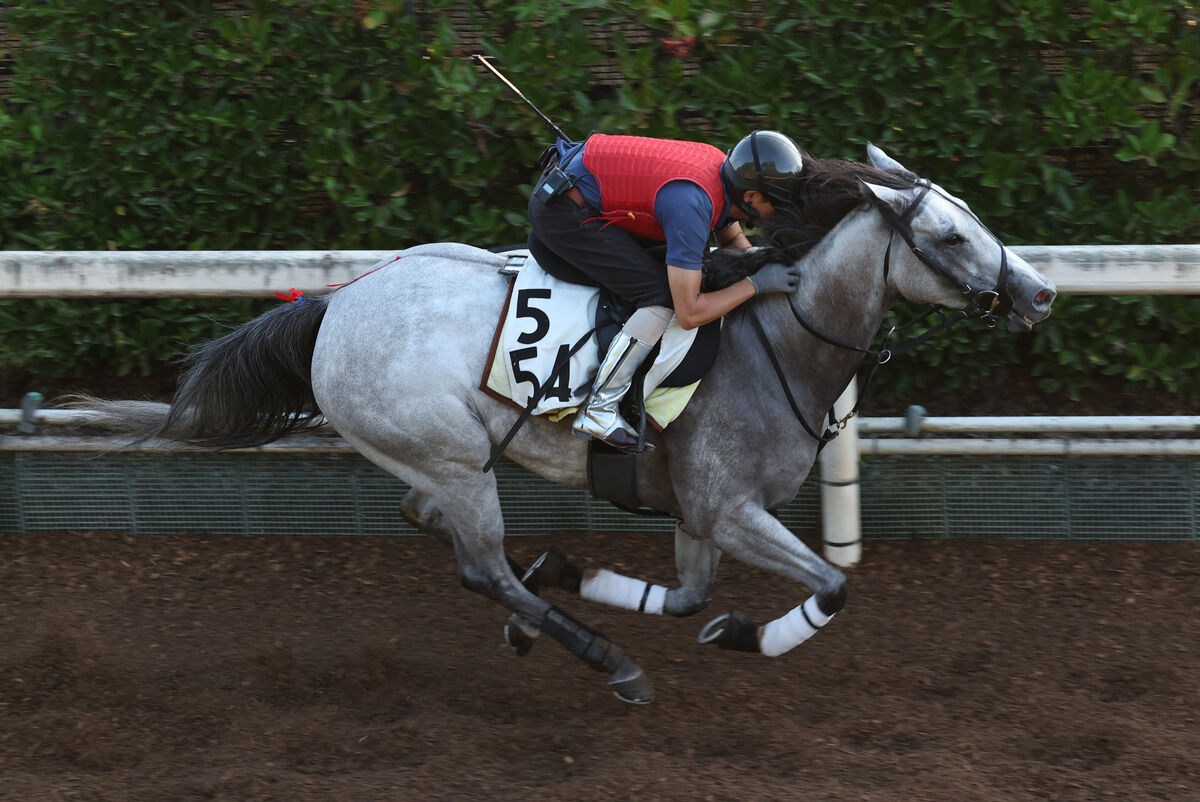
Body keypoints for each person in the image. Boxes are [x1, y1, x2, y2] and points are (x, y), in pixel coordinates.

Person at [526, 129, 806, 453]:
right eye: (778, 203)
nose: (781, 212)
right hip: (562, 212)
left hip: (575, 181)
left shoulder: (722, 170)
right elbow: (689, 313)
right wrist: (755, 285)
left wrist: (757, 260)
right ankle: (599, 409)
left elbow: (731, 239)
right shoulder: (692, 202)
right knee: (660, 297)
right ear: (751, 198)